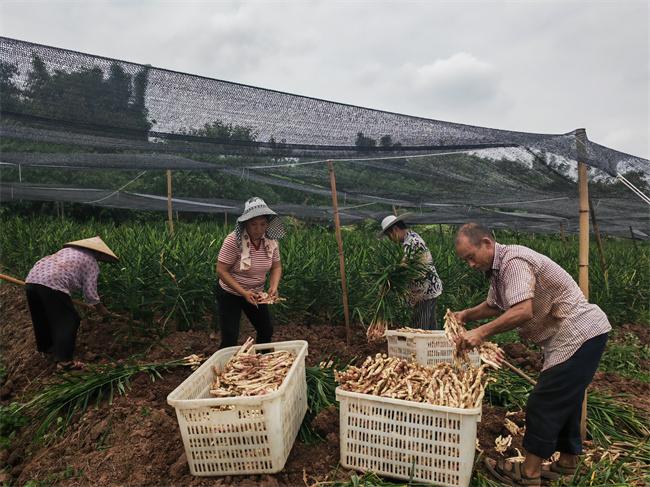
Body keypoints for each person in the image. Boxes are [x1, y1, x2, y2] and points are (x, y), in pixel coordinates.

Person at [452, 223, 610, 486]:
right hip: (569, 336)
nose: (470, 264)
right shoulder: (498, 270)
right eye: (465, 260)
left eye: (471, 256)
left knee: (543, 401)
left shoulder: (513, 262)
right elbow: (494, 305)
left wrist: (480, 333)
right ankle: (567, 463)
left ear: (487, 243)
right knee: (565, 400)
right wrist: (466, 315)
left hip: (579, 333)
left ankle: (529, 474)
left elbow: (523, 310)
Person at [25, 236, 119, 370]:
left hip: (32, 279)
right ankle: (65, 362)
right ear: (98, 253)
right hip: (52, 283)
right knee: (70, 320)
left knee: (42, 316)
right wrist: (100, 309)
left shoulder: (67, 251)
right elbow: (90, 292)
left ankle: (48, 348)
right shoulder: (91, 261)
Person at [215, 197, 284, 349]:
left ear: (268, 224)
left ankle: (263, 363)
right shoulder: (233, 241)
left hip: (256, 292)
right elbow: (221, 270)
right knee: (230, 336)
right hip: (230, 293)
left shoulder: (271, 241)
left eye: (263, 224)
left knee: (266, 330)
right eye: (253, 224)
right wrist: (243, 292)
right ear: (246, 223)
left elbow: (276, 267)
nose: (258, 229)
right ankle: (225, 368)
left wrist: (274, 286)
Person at [379, 214, 443, 329]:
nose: (391, 240)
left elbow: (405, 267)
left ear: (395, 230)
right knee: (430, 324)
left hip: (425, 291)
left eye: (389, 236)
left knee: (421, 327)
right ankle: (431, 346)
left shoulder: (411, 242)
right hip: (430, 288)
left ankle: (423, 347)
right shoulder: (412, 237)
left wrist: (389, 278)